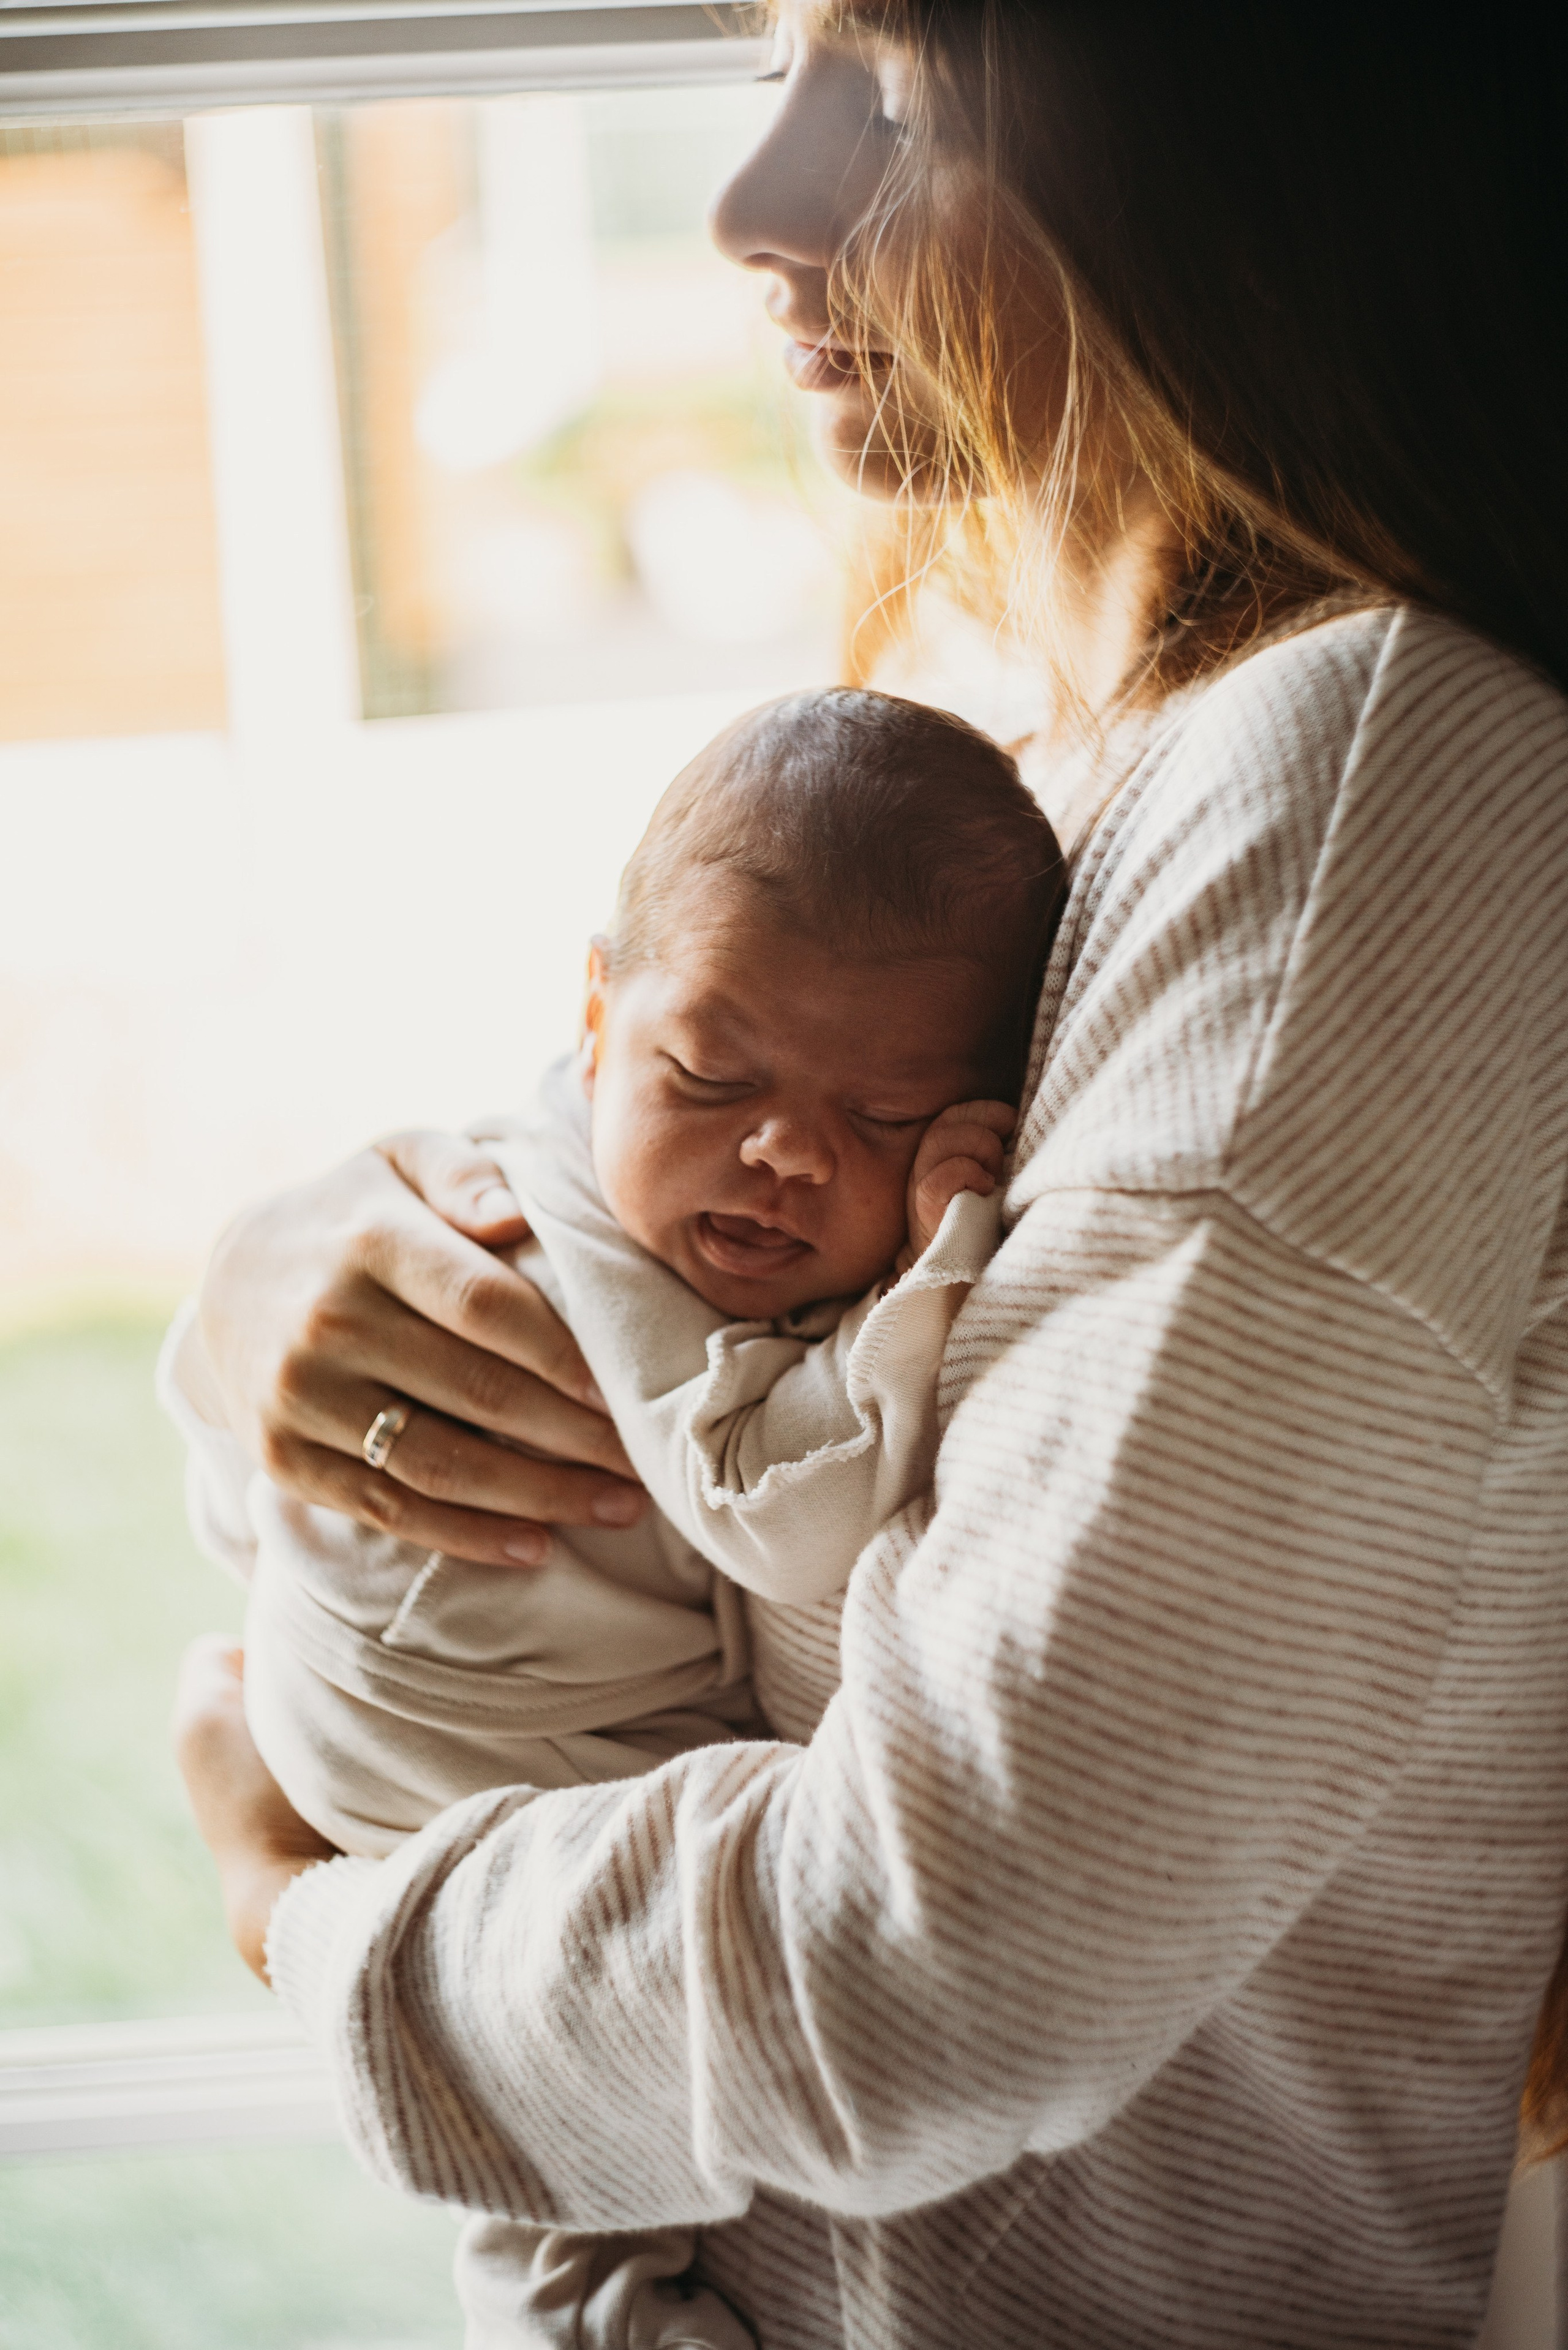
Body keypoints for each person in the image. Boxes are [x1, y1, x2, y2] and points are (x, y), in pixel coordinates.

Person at [173, 5, 1568, 2344]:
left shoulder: (1354, 787)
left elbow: (944, 1966)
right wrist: (268, 1304)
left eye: (902, 95)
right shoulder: (1074, 788)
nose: (751, 205)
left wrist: (300, 1911)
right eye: (775, 65)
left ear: (1258, 157)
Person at [162, 686, 1057, 2350]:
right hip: (474, 1773)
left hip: (427, 1708)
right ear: (593, 1012)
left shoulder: (676, 1159)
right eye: (712, 1071)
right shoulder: (560, 1208)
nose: (784, 1150)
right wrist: (945, 1252)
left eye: (882, 1120)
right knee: (596, 2180)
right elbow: (778, 1514)